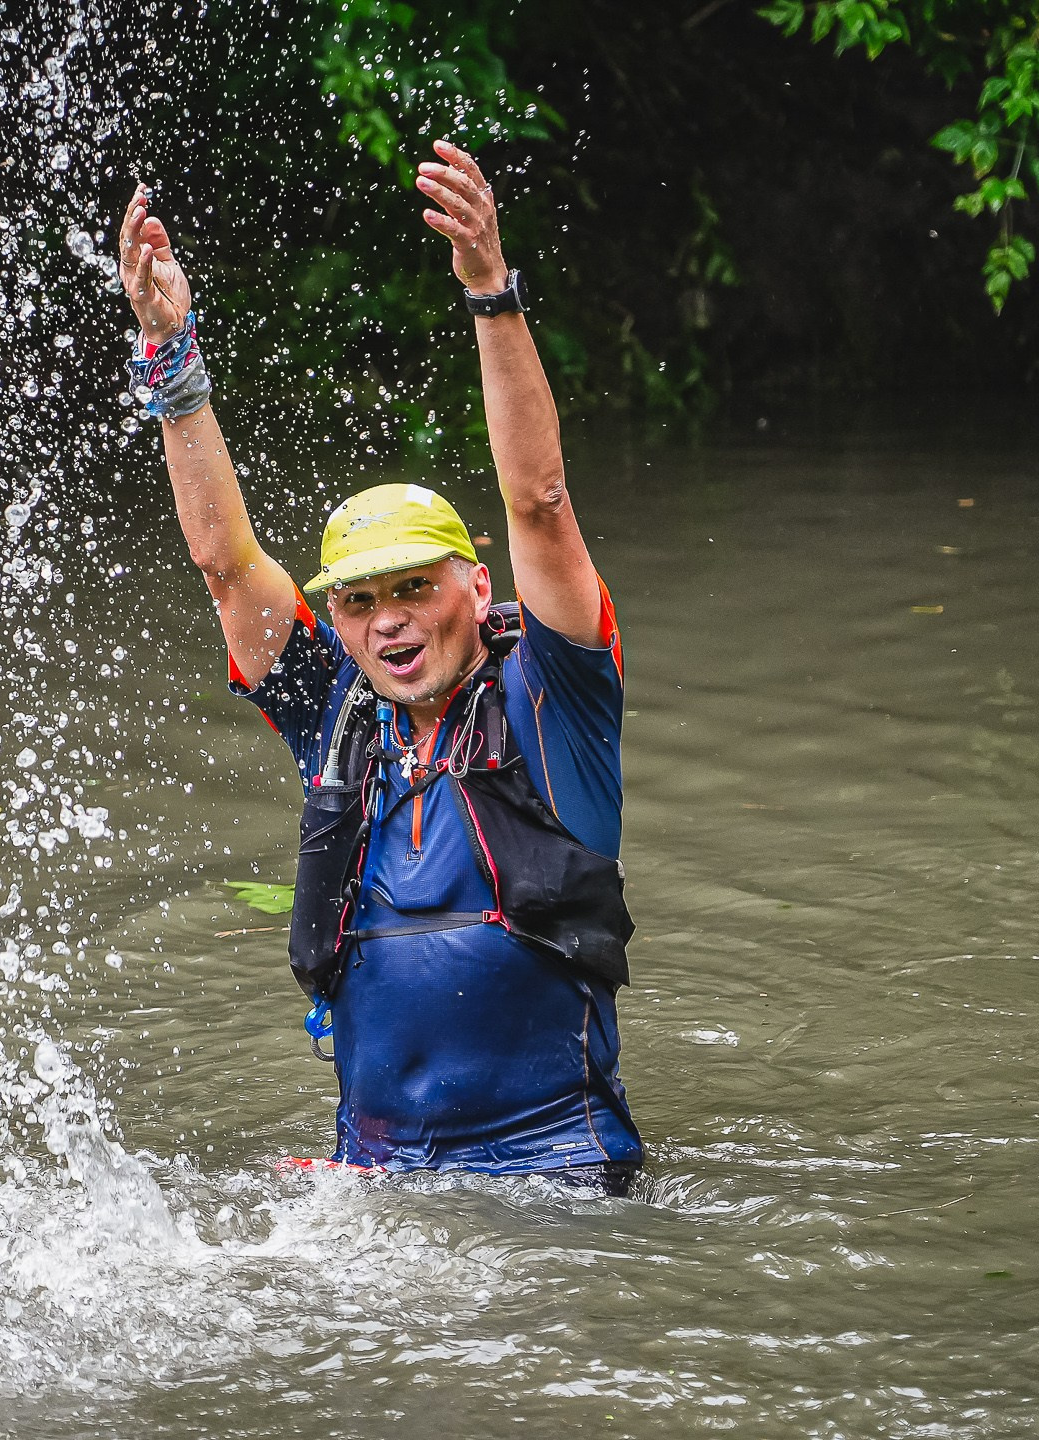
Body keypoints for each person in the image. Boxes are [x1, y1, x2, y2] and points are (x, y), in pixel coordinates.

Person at [116, 141, 640, 1192]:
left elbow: (537, 501)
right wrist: (170, 354)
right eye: (359, 602)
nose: (388, 623)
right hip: (378, 1182)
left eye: (414, 589)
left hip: (554, 1181)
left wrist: (491, 290)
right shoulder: (340, 722)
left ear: (476, 590)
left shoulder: (557, 703)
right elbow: (228, 568)